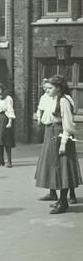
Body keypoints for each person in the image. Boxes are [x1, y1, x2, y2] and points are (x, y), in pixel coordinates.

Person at [35, 75, 82, 214]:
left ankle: (63, 202)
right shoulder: (52, 99)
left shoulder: (63, 101)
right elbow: (46, 117)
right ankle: (59, 198)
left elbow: (68, 124)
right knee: (54, 167)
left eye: (50, 88)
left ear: (58, 88)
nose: (47, 90)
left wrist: (63, 143)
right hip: (51, 133)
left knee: (63, 168)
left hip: (60, 134)